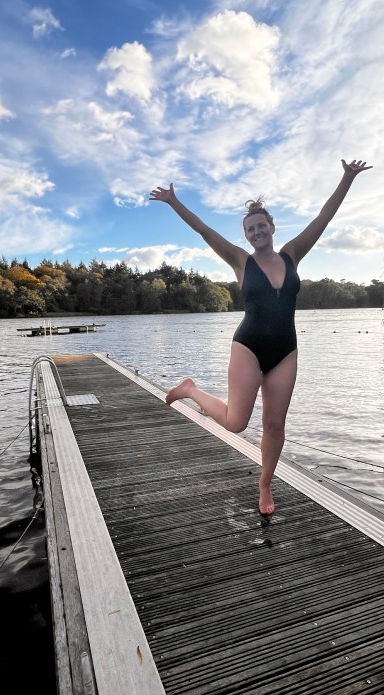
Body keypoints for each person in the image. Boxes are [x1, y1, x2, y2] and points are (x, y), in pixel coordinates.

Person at [149, 159, 372, 517]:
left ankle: (265, 482)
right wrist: (174, 202)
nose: (256, 232)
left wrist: (346, 179)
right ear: (246, 234)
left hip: (285, 350)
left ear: (272, 226)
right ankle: (191, 389)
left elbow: (322, 220)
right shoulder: (240, 261)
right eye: (250, 229)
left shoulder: (292, 255)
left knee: (273, 424)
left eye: (261, 226)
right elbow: (205, 232)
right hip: (248, 346)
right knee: (236, 423)